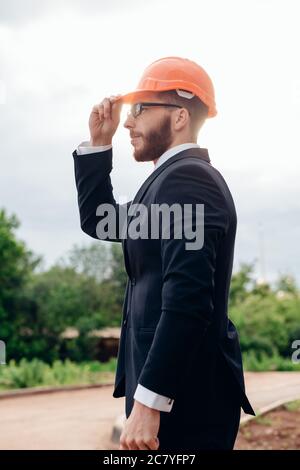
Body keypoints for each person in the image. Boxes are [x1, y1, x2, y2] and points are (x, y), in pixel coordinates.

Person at [73, 57, 255, 451]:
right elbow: (101, 221)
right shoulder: (165, 185)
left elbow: (188, 300)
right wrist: (99, 146)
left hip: (184, 400)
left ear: (178, 117)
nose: (127, 122)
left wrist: (150, 400)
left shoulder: (187, 181)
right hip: (176, 396)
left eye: (140, 109)